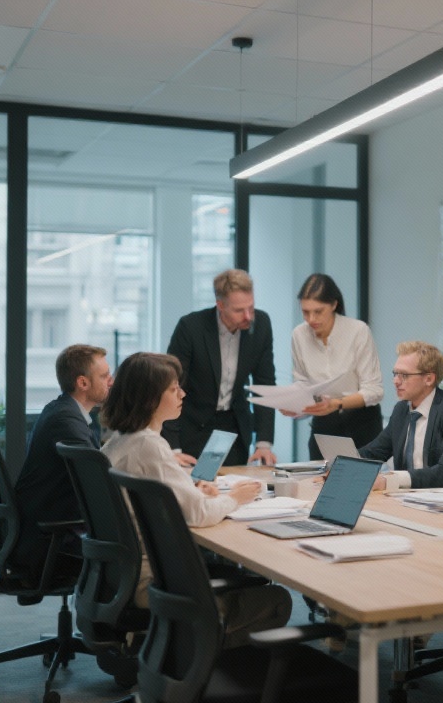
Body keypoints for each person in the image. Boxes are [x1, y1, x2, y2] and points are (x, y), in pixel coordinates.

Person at [101, 352, 292, 646]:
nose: (183, 394)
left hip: (124, 575)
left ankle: (180, 651)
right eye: (174, 389)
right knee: (277, 599)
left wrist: (192, 493)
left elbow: (168, 497)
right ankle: (196, 659)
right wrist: (236, 497)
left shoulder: (119, 441)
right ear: (150, 398)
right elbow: (200, 515)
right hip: (153, 580)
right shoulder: (149, 446)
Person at [164, 269, 277, 468]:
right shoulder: (191, 327)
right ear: (220, 305)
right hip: (193, 426)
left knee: (234, 483)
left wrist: (264, 442)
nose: (248, 316)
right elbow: (172, 385)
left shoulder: (261, 325)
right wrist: (173, 448)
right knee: (195, 484)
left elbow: (265, 383)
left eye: (251, 307)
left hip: (234, 427)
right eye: (239, 310)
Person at [12, 344, 111, 573]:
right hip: (49, 544)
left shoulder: (63, 410)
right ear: (83, 383)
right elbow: (98, 484)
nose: (111, 381)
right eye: (104, 376)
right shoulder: (66, 421)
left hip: (47, 531)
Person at [285, 273, 385, 460]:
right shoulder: (299, 335)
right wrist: (296, 405)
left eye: (318, 311)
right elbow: (302, 384)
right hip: (324, 426)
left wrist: (336, 404)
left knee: (362, 477)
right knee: (319, 477)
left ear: (333, 305)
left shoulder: (358, 331)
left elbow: (374, 390)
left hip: (362, 424)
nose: (311, 319)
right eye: (305, 312)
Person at [357, 340, 443, 490]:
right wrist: (339, 461)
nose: (396, 381)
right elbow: (373, 452)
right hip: (407, 497)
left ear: (429, 379)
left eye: (404, 375)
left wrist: (391, 480)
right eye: (395, 374)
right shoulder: (401, 410)